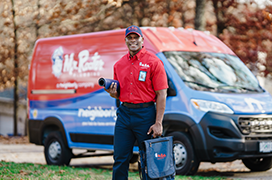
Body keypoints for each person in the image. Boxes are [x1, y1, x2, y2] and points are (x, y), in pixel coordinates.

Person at [104, 25, 168, 180]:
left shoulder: (154, 62)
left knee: (149, 159)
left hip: (145, 115)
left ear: (142, 40)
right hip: (124, 115)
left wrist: (158, 122)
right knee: (119, 159)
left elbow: (161, 94)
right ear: (125, 40)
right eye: (130, 38)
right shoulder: (118, 65)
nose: (133, 41)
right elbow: (118, 95)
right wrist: (113, 94)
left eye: (136, 37)